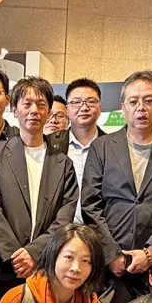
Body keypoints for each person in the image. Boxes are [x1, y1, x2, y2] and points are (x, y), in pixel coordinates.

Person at [81, 71, 152, 303]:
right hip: (108, 268)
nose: (141, 108)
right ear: (123, 107)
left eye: (149, 100)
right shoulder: (101, 147)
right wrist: (111, 254)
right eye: (133, 101)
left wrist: (151, 252)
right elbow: (90, 204)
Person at [0, 76, 79, 303]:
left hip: (44, 268)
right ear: (14, 109)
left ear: (49, 112)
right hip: (2, 270)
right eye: (27, 104)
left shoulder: (63, 164)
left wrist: (34, 253)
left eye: (41, 104)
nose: (34, 110)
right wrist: (16, 255)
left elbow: (65, 216)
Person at [48, 77, 106, 223]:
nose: (84, 108)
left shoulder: (111, 146)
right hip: (58, 228)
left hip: (100, 229)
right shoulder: (50, 144)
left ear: (100, 107)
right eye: (76, 102)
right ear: (67, 109)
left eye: (91, 102)